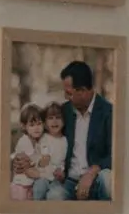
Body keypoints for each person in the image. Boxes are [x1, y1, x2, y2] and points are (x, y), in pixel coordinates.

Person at [46, 60, 113, 202]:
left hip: (96, 180)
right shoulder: (64, 111)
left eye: (69, 93)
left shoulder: (109, 112)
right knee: (54, 196)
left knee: (107, 180)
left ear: (82, 91)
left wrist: (92, 172)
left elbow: (116, 154)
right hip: (68, 181)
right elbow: (47, 136)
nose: (65, 97)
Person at [9, 103, 47, 202]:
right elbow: (29, 168)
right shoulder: (24, 142)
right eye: (32, 125)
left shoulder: (38, 141)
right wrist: (44, 174)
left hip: (29, 185)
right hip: (21, 187)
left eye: (39, 124)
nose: (37, 128)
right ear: (24, 126)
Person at [32, 101, 68, 201]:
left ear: (64, 121)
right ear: (45, 123)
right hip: (42, 176)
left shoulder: (65, 140)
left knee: (58, 195)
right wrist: (41, 161)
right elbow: (41, 157)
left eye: (58, 117)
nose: (54, 121)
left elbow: (63, 161)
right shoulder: (44, 138)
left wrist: (61, 171)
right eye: (50, 118)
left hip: (56, 180)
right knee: (39, 189)